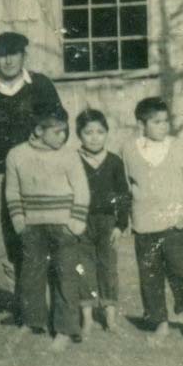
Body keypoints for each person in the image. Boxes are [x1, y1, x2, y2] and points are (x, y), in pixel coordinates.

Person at [0, 31, 62, 321]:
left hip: (36, 174)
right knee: (6, 238)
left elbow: (58, 126)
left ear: (24, 55)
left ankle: (46, 302)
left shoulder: (41, 86)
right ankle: (22, 302)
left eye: (13, 53)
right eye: (1, 54)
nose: (8, 60)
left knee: (38, 233)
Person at [122, 97, 183, 348]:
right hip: (144, 227)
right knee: (150, 278)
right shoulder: (128, 149)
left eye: (165, 120)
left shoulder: (180, 147)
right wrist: (129, 216)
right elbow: (126, 186)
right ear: (141, 124)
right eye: (156, 122)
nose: (163, 126)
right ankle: (160, 325)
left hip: (175, 226)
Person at [4, 105, 90, 351]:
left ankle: (64, 329)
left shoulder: (70, 156)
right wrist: (19, 221)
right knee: (31, 275)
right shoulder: (17, 155)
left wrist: (76, 223)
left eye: (65, 132)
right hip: (32, 226)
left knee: (66, 277)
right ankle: (32, 321)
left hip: (64, 227)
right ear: (39, 130)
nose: (62, 137)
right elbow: (13, 191)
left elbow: (82, 190)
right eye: (57, 132)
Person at [74, 108, 131, 336]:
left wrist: (120, 225)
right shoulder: (73, 160)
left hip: (107, 222)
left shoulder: (114, 162)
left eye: (100, 131)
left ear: (107, 133)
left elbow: (123, 194)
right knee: (83, 268)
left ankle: (110, 319)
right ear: (79, 134)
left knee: (108, 268)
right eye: (88, 132)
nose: (94, 137)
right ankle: (87, 319)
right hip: (81, 221)